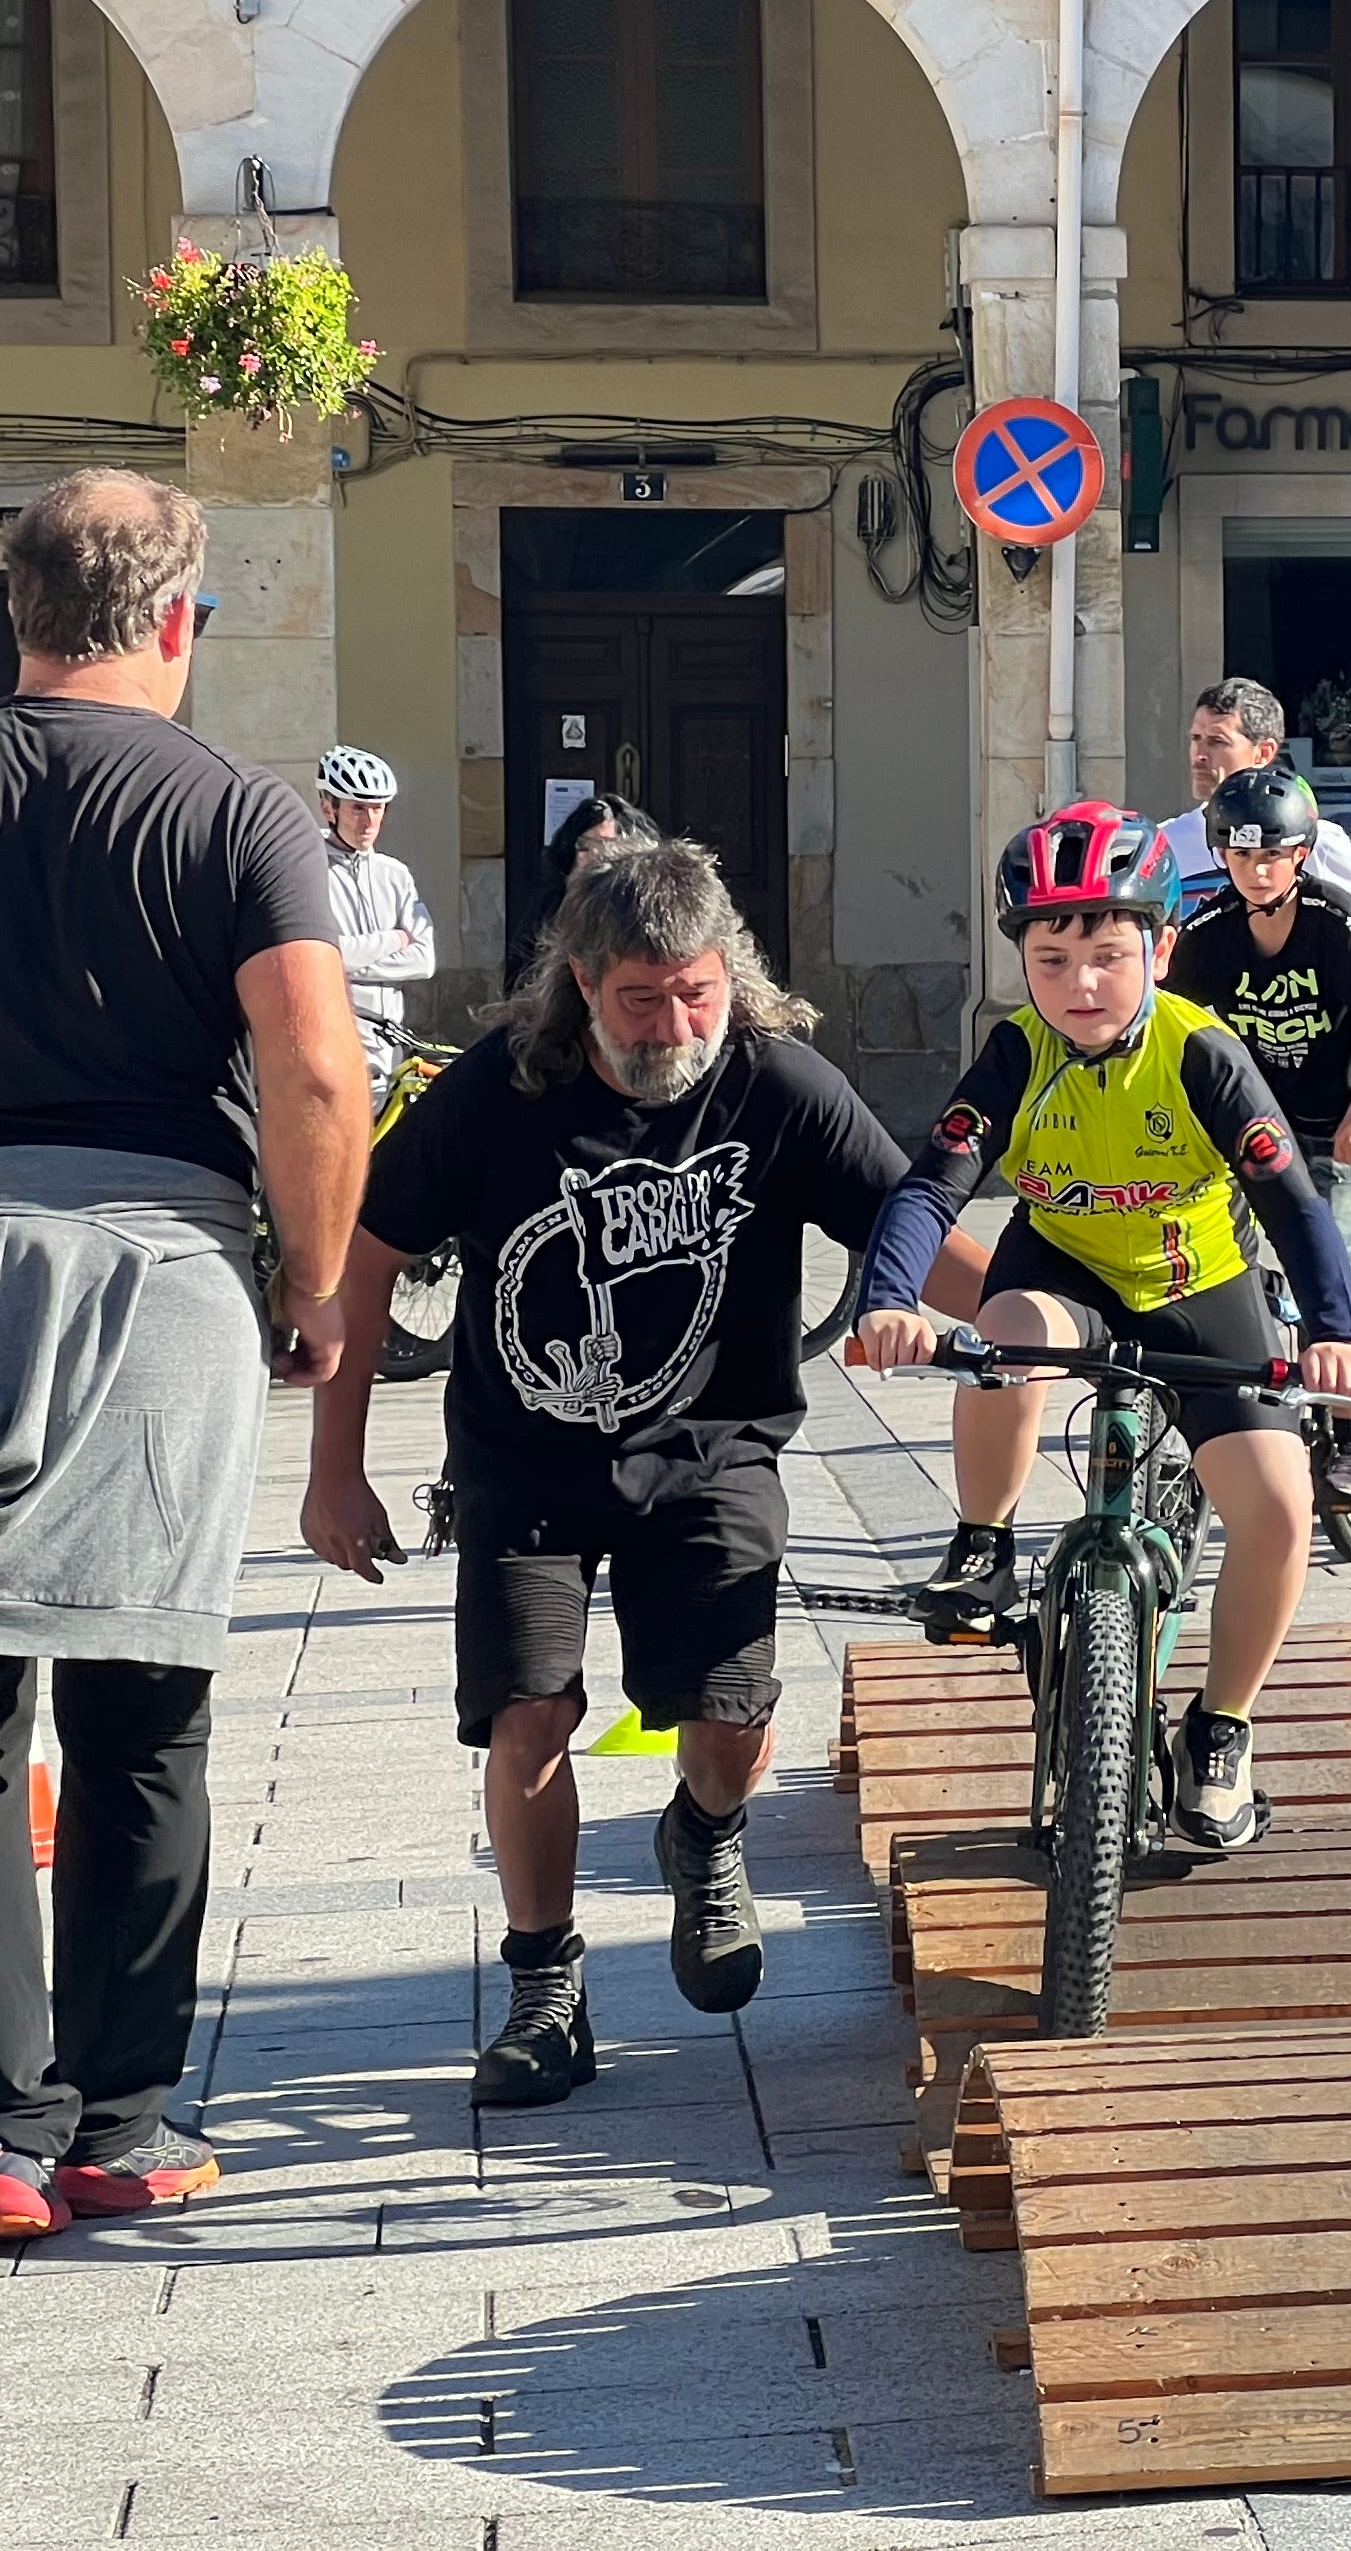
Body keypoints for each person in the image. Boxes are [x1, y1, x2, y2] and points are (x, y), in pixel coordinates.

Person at [300, 839, 919, 2109]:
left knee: (734, 1713)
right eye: (641, 998)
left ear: (729, 975)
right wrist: (334, 1469)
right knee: (529, 1713)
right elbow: (367, 1259)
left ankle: (705, 1834)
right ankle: (545, 1988)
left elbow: (910, 1221)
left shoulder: (776, 1084)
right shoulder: (495, 1091)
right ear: (580, 982)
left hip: (716, 1447)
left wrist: (1054, 1314)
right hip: (524, 1457)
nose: (673, 1024)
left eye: (696, 992)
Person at [0, 468, 366, 2235]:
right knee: (140, 1699)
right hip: (154, 1256)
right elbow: (311, 1061)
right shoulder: (235, 806)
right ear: (176, 618)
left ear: (20, 606)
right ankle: (115, 2123)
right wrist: (314, 1284)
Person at [854, 803, 1351, 1861]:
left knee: (1279, 1510)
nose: (1079, 983)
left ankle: (1220, 1729)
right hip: (1069, 1272)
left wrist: (1337, 1331)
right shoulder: (1015, 1052)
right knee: (1001, 1337)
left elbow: (1294, 1205)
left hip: (1199, 1281)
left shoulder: (1203, 1053)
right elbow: (928, 1190)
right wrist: (888, 1304)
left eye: (1106, 954)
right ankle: (986, 1545)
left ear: (1162, 947)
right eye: (1052, 957)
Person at [1167, 761, 1351, 1466]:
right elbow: (1173, 1023)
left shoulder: (1331, 921)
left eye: (1271, 855)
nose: (1257, 871)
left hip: (1341, 1118)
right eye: (1240, 855)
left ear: (1300, 855)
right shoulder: (1209, 930)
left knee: (1333, 1277)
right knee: (1221, 1258)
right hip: (1257, 1123)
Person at [1157, 678, 1351, 992]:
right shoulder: (1163, 843)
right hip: (1198, 1033)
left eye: (1217, 741)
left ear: (1264, 752)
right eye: (1195, 739)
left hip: (1295, 1029)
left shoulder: (1313, 841)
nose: (1199, 755)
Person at [319, 745, 434, 1097]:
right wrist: (393, 939)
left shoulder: (395, 874)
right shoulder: (309, 867)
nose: (368, 820)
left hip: (391, 1038)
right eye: (357, 808)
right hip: (338, 1035)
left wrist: (351, 960)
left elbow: (425, 960)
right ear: (329, 807)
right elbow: (327, 955)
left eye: (377, 808)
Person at [520, 791, 661, 978]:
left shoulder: (645, 908)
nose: (593, 856)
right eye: (584, 847)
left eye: (606, 845)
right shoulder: (550, 905)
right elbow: (522, 967)